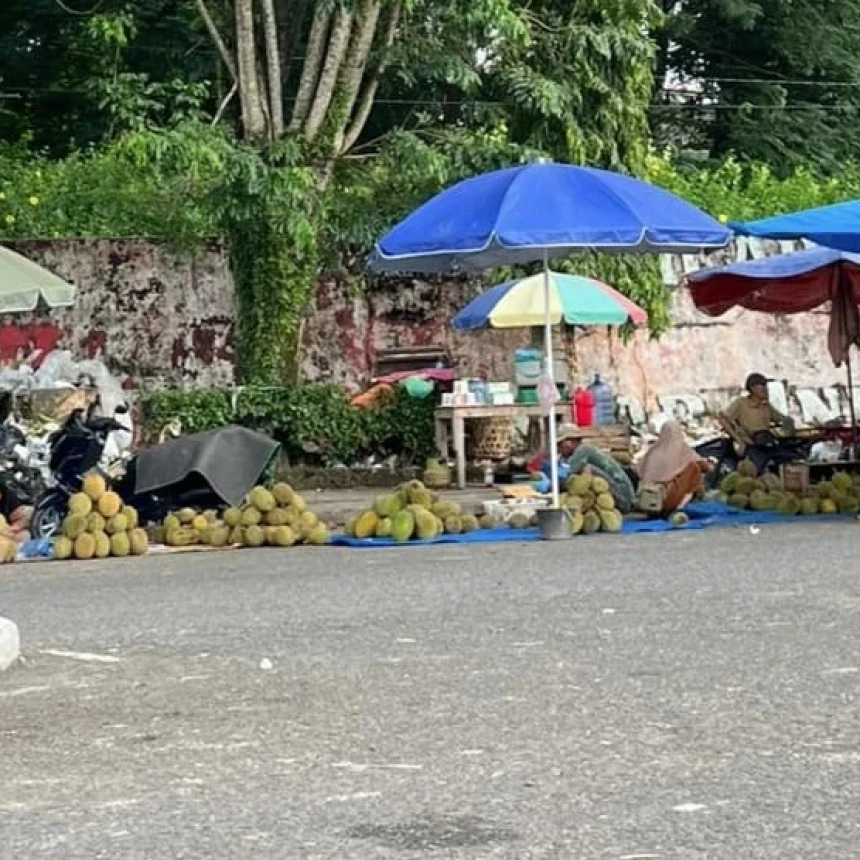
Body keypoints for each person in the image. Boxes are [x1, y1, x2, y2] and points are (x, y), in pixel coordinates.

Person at [531, 426, 635, 513]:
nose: (558, 449)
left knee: (586, 470)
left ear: (569, 442)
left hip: (623, 499)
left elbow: (566, 477)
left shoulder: (584, 451)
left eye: (559, 444)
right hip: (615, 499)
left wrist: (549, 486)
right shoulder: (570, 456)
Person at [719, 372, 796, 471]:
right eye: (762, 386)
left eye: (765, 386)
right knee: (756, 469)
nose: (765, 389)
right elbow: (723, 419)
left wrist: (788, 423)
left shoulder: (766, 406)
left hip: (766, 443)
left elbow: (782, 418)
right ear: (752, 388)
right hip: (751, 445)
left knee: (788, 460)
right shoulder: (741, 403)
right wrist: (739, 440)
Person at [636, 421, 709, 516]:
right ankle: (679, 507)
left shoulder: (653, 450)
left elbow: (639, 470)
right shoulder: (683, 449)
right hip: (668, 499)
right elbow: (704, 466)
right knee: (694, 468)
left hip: (648, 498)